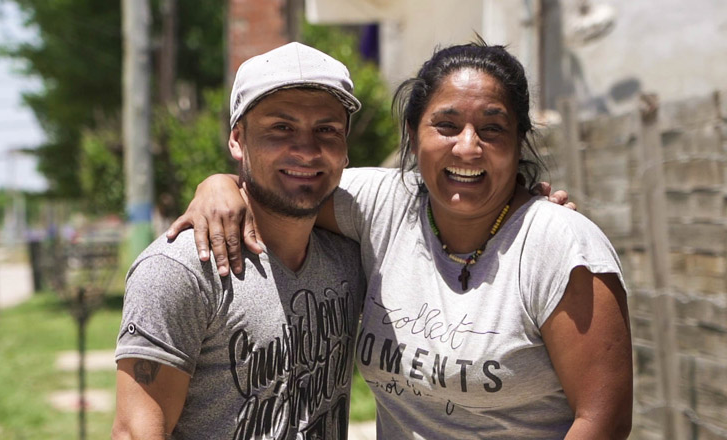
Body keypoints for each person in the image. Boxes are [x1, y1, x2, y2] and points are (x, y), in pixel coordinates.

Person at [168, 40, 633, 439]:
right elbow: (286, 187)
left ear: (518, 141)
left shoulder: (560, 246)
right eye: (446, 125)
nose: (468, 147)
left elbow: (605, 420)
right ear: (412, 137)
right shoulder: (382, 205)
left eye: (492, 129)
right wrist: (219, 185)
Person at [111, 42, 368, 440]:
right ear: (237, 140)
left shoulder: (349, 255)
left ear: (346, 147)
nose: (306, 149)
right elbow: (135, 431)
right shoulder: (182, 269)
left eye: (327, 129)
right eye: (281, 128)